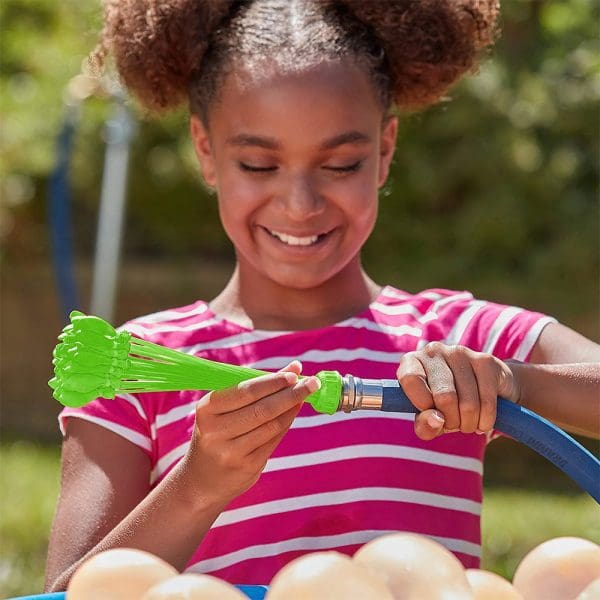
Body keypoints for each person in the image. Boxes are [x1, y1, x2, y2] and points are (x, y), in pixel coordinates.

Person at [45, 0, 600, 591]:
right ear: (206, 152)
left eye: (341, 164)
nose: (300, 204)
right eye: (259, 164)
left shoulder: (456, 338)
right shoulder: (138, 366)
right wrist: (198, 486)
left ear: (384, 152)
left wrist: (513, 384)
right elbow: (66, 590)